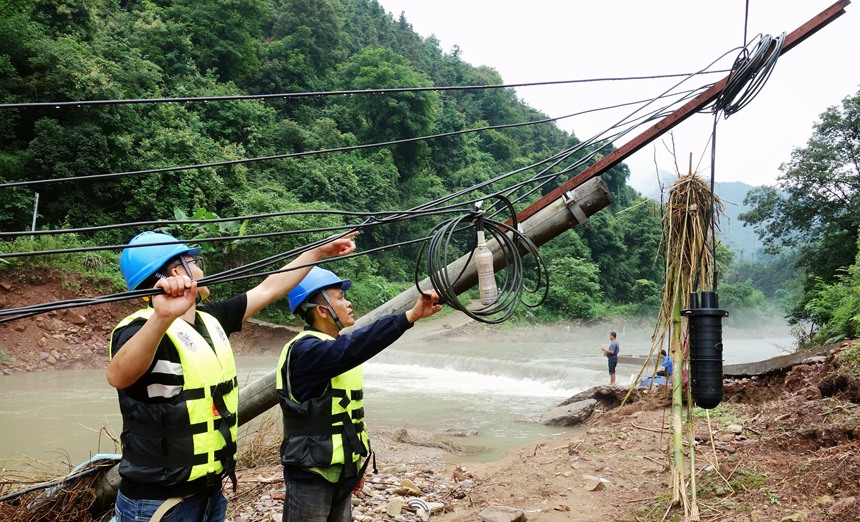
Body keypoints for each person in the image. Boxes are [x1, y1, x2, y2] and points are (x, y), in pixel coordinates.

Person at [107, 230, 356, 522]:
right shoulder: (138, 329)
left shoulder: (210, 320)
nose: (201, 268)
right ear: (177, 272)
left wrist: (317, 253)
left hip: (209, 493)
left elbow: (267, 289)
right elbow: (118, 376)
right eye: (194, 261)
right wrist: (162, 318)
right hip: (157, 502)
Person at [276, 267, 443, 522]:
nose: (349, 302)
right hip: (311, 474)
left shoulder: (330, 347)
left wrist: (353, 467)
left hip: (340, 473)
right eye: (340, 297)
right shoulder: (306, 351)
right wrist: (409, 316)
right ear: (322, 310)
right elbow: (357, 345)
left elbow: (344, 417)